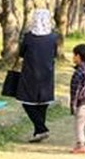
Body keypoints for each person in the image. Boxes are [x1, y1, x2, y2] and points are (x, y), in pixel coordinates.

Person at [16, 8, 59, 142]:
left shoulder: (29, 37)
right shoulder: (53, 37)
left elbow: (21, 53)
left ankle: (41, 129)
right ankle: (38, 131)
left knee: (26, 101)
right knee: (43, 102)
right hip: (47, 73)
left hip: (30, 73)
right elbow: (55, 54)